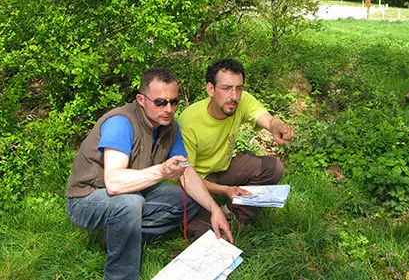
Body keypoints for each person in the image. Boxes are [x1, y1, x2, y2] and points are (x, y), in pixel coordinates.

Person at [65, 68, 233, 280]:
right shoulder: (121, 123)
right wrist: (162, 170)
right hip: (87, 199)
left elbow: (186, 172)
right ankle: (121, 276)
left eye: (174, 102)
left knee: (189, 200)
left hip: (134, 192)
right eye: (160, 102)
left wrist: (213, 208)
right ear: (141, 100)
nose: (169, 109)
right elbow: (114, 183)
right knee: (128, 204)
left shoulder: (170, 127)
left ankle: (118, 235)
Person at [178, 58, 294, 226]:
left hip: (224, 170)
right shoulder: (189, 121)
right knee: (204, 230)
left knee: (273, 167)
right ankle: (214, 217)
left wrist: (277, 125)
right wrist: (225, 190)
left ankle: (235, 214)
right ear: (211, 89)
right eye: (226, 88)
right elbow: (186, 177)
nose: (234, 96)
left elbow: (266, 118)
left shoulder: (242, 101)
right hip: (197, 180)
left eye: (238, 88)